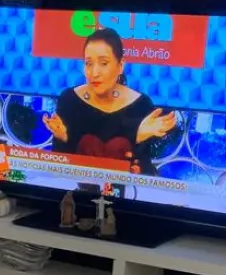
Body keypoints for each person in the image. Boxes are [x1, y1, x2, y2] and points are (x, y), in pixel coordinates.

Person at [42, 27, 177, 174]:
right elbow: (58, 169)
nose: (94, 73)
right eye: (88, 63)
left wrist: (140, 137)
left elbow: (143, 173)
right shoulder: (69, 100)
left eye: (104, 63)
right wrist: (62, 137)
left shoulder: (141, 104)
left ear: (120, 66)